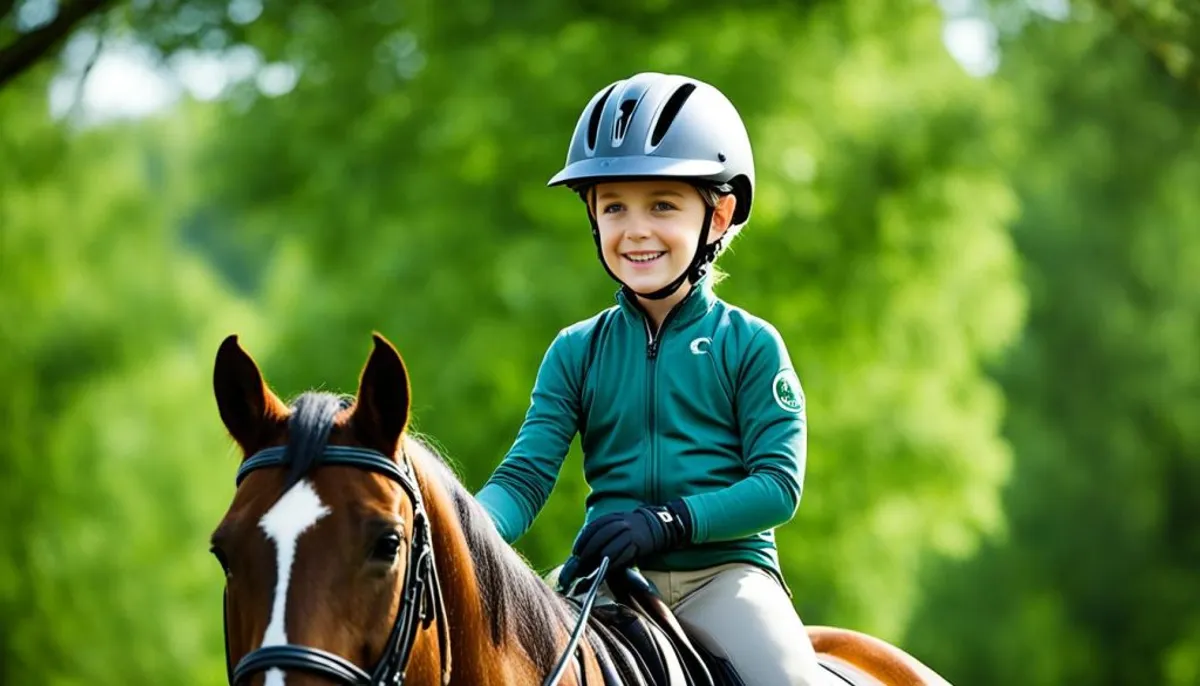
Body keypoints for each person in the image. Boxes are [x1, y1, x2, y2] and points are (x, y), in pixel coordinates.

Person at [475, 71, 821, 684]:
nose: (635, 229)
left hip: (725, 578)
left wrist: (668, 522)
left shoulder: (752, 345)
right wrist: (457, 526)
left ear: (718, 216)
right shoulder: (575, 350)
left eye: (662, 204)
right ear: (593, 217)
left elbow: (777, 485)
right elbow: (525, 478)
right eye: (614, 206)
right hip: (605, 580)